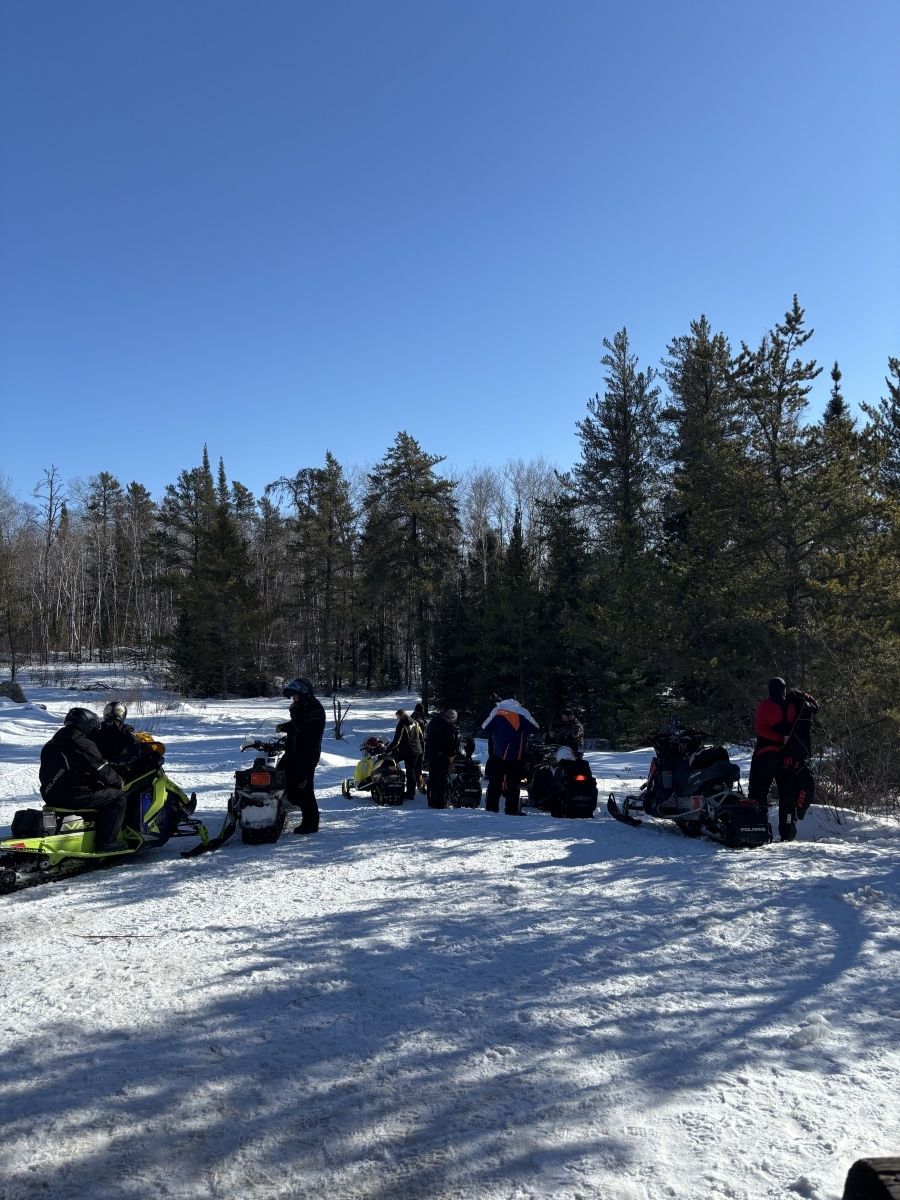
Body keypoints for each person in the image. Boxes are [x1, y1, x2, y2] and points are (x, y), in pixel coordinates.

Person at [38, 707, 128, 852]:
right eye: (93, 724)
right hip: (74, 795)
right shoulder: (82, 743)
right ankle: (106, 842)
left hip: (51, 795)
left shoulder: (51, 744)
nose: (95, 728)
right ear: (85, 723)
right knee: (118, 798)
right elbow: (101, 770)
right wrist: (119, 781)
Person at [748, 677, 815, 842]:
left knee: (758, 792)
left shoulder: (765, 706)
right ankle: (788, 833)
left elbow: (761, 729)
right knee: (787, 797)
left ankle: (758, 829)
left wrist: (779, 739)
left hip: (766, 755)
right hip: (788, 757)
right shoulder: (794, 705)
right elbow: (814, 708)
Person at [276, 678, 326, 835]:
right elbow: (295, 725)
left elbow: (304, 729)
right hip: (293, 753)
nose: (294, 700)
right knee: (278, 776)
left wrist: (293, 712)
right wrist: (283, 727)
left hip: (307, 756)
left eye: (296, 697)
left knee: (304, 788)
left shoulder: (316, 710)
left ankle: (311, 824)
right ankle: (285, 803)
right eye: (293, 697)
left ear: (305, 694)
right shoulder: (303, 707)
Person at [482, 697, 540, 816]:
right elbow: (535, 728)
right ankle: (511, 810)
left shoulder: (497, 710)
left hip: (498, 753)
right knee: (513, 784)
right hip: (516, 755)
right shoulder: (523, 712)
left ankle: (491, 809)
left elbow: (485, 727)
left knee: (495, 782)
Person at [783, 687, 819, 824]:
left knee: (788, 794)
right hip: (801, 755)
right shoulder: (807, 706)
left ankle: (789, 822)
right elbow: (816, 705)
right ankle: (794, 818)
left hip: (787, 754)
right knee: (804, 786)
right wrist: (804, 694)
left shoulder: (785, 706)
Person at [423, 708, 460, 809]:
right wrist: (453, 754)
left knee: (432, 779)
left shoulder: (434, 721)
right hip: (442, 755)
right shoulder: (448, 725)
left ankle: (431, 801)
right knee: (441, 779)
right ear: (452, 718)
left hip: (431, 754)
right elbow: (453, 742)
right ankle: (441, 803)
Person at [385, 708, 424, 800]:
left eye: (397, 717)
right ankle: (411, 792)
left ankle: (393, 784)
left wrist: (387, 750)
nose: (397, 719)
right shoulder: (415, 722)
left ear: (399, 716)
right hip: (417, 750)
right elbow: (421, 735)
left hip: (407, 751)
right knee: (411, 771)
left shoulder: (402, 724)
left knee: (390, 761)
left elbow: (397, 741)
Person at [92, 700, 142, 769]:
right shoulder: (125, 728)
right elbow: (136, 745)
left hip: (97, 767)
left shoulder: (96, 727)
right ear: (123, 714)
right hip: (119, 767)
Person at [411, 703, 428, 793]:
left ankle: (414, 784)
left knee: (414, 766)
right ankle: (420, 785)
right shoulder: (418, 719)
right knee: (418, 765)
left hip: (412, 744)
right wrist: (425, 725)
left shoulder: (412, 716)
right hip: (418, 744)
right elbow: (421, 731)